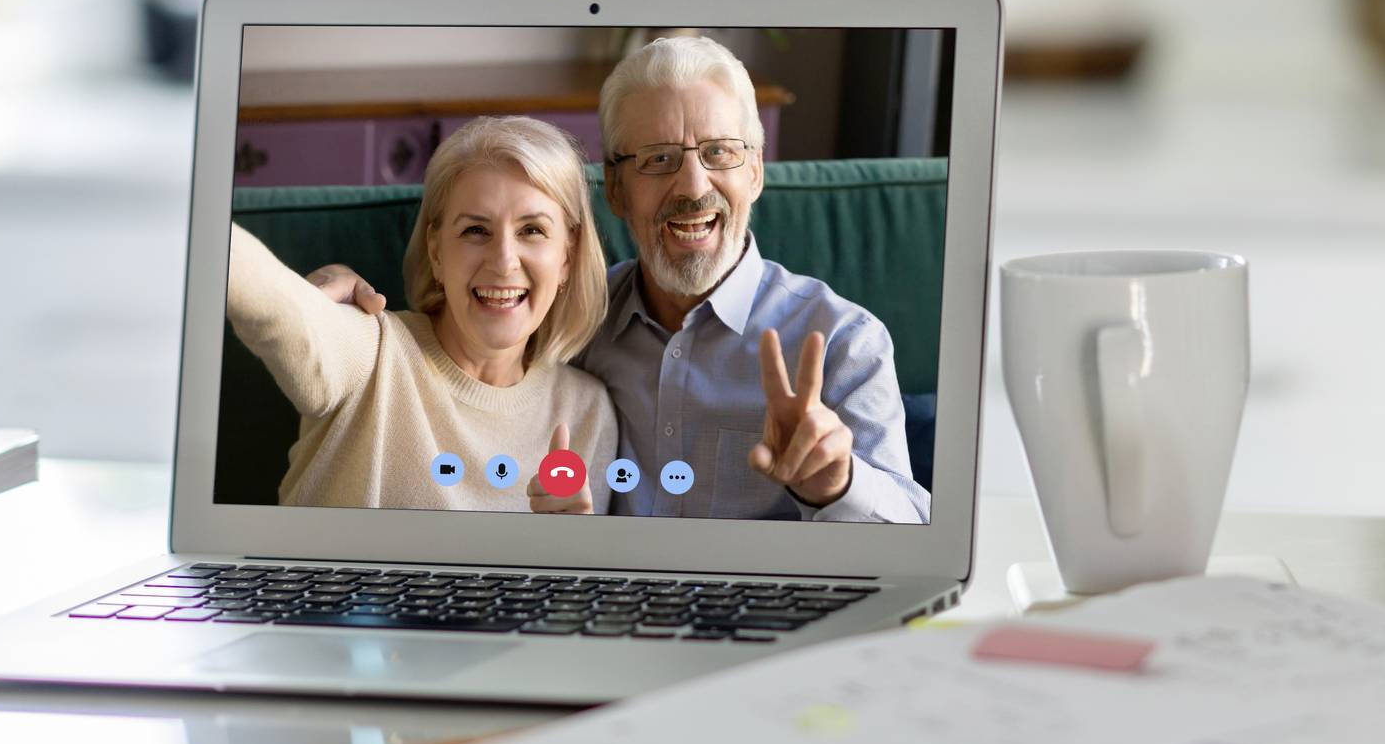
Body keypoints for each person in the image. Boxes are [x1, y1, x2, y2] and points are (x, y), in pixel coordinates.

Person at [304, 36, 928, 521]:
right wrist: (324, 300)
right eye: (658, 160)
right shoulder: (567, 318)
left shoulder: (843, 340)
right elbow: (460, 330)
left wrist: (836, 483)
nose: (692, 186)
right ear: (619, 190)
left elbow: (917, 539)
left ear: (756, 172)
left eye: (719, 153)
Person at [225, 114, 618, 512]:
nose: (503, 262)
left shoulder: (588, 410)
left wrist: (570, 550)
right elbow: (272, 306)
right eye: (475, 231)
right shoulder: (371, 352)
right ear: (436, 252)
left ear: (567, 255)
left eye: (532, 230)